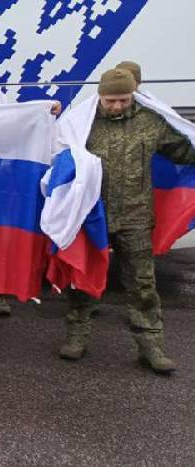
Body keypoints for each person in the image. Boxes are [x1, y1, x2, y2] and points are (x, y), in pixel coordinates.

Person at [58, 68, 195, 375]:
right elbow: (58, 154)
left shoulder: (151, 122)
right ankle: (77, 335)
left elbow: (184, 151)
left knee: (142, 284)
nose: (117, 106)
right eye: (111, 100)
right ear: (100, 96)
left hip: (136, 217)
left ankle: (151, 346)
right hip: (92, 216)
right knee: (82, 279)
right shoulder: (81, 123)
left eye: (123, 99)